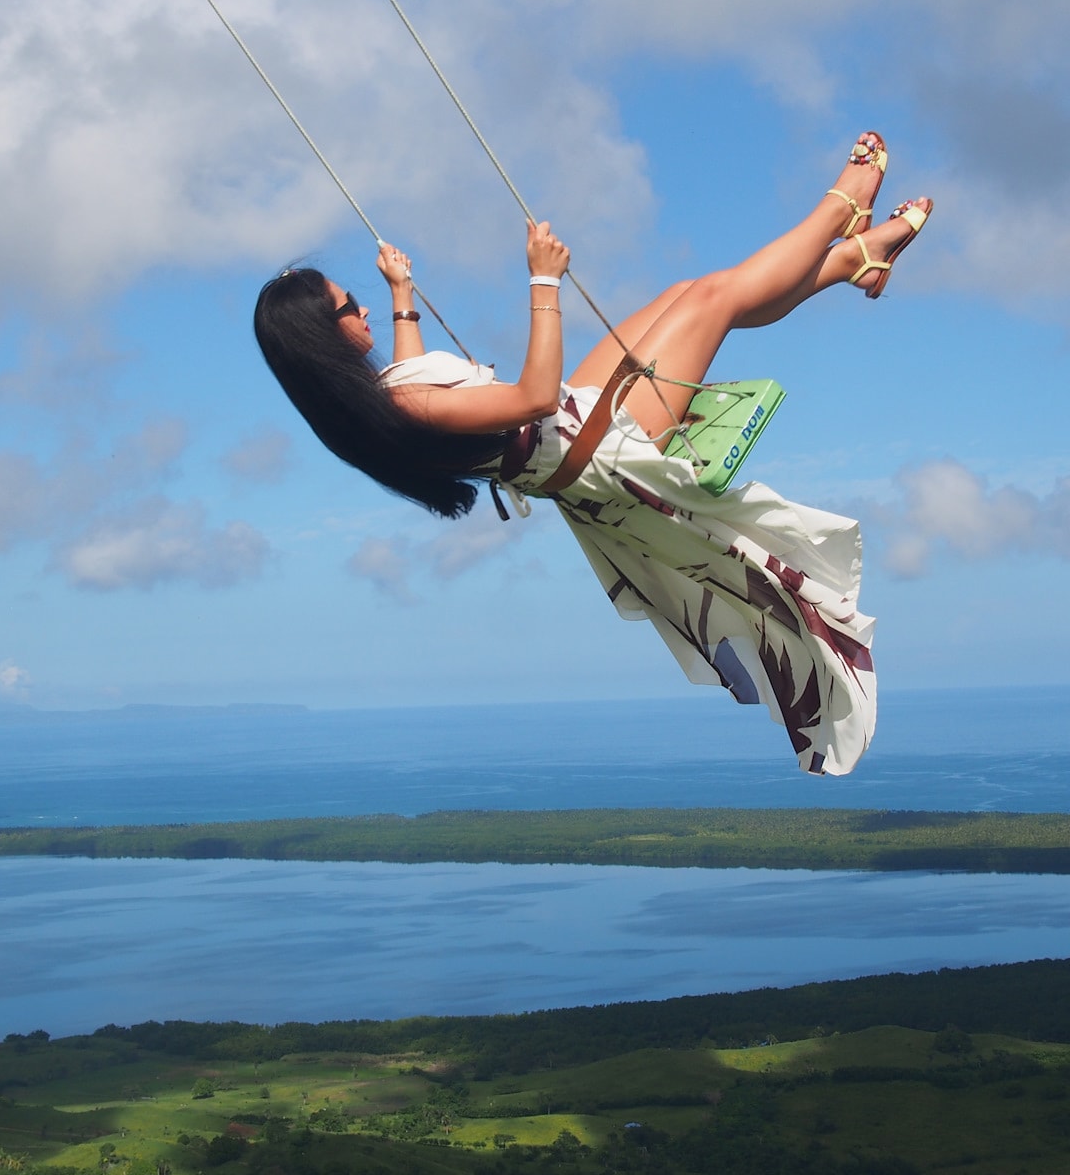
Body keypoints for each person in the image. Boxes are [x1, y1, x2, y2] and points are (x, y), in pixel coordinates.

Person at [254, 134, 932, 775]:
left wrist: (404, 296)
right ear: (325, 337)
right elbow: (533, 396)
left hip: (576, 434)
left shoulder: (375, 407)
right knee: (714, 299)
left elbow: (415, 377)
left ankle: (854, 262)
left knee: (686, 295)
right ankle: (844, 208)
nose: (362, 313)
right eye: (351, 310)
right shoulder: (400, 411)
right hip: (601, 446)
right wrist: (543, 283)